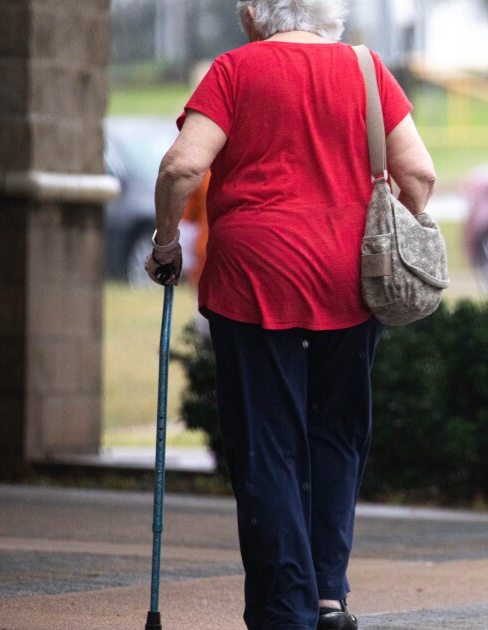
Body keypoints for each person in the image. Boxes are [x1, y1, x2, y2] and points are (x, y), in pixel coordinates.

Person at [143, 1, 436, 628]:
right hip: (349, 281)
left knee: (267, 445)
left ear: (253, 11)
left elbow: (183, 165)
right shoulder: (367, 69)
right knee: (337, 435)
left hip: (254, 281)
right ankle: (329, 593)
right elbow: (418, 173)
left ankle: (287, 609)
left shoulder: (233, 70)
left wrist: (167, 243)